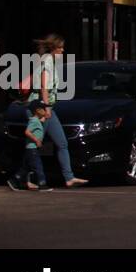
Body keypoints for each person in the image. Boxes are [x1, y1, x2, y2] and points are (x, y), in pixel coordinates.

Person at [25, 35, 87, 188]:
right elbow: (43, 87)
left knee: (61, 143)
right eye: (60, 47)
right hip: (39, 108)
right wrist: (46, 109)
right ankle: (21, 177)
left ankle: (69, 178)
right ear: (53, 48)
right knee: (33, 145)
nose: (62, 50)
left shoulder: (51, 61)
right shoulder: (46, 60)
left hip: (47, 108)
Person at [8, 100, 52, 192]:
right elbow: (27, 132)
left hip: (31, 149)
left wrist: (45, 116)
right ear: (38, 110)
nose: (46, 110)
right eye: (44, 109)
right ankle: (42, 184)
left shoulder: (36, 120)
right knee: (38, 167)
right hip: (32, 149)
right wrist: (36, 140)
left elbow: (42, 120)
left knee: (26, 168)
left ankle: (14, 181)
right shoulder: (34, 121)